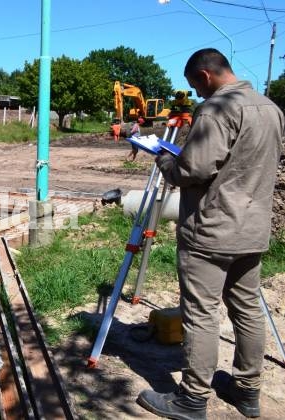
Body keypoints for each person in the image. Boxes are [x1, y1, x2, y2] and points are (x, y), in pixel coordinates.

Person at [136, 48, 284, 420]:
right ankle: (247, 391)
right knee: (247, 308)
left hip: (212, 230)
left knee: (201, 314)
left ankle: (192, 399)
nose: (197, 95)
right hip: (252, 227)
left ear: (204, 76)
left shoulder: (217, 108)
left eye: (195, 87)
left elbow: (194, 170)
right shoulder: (271, 109)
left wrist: (166, 159)